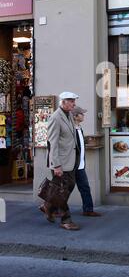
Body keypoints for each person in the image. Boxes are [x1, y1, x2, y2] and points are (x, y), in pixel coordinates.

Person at [42, 91, 80, 231]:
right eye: (71, 101)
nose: (74, 103)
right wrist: (56, 165)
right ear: (63, 102)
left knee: (68, 186)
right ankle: (66, 219)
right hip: (60, 161)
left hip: (70, 159)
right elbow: (53, 143)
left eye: (74, 101)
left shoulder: (68, 114)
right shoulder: (55, 118)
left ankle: (48, 205)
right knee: (61, 191)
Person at [71, 106, 101, 217]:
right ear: (75, 116)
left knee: (84, 187)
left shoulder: (79, 127)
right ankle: (52, 207)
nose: (83, 115)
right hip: (72, 164)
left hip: (80, 164)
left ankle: (88, 209)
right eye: (81, 114)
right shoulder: (71, 129)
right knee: (65, 189)